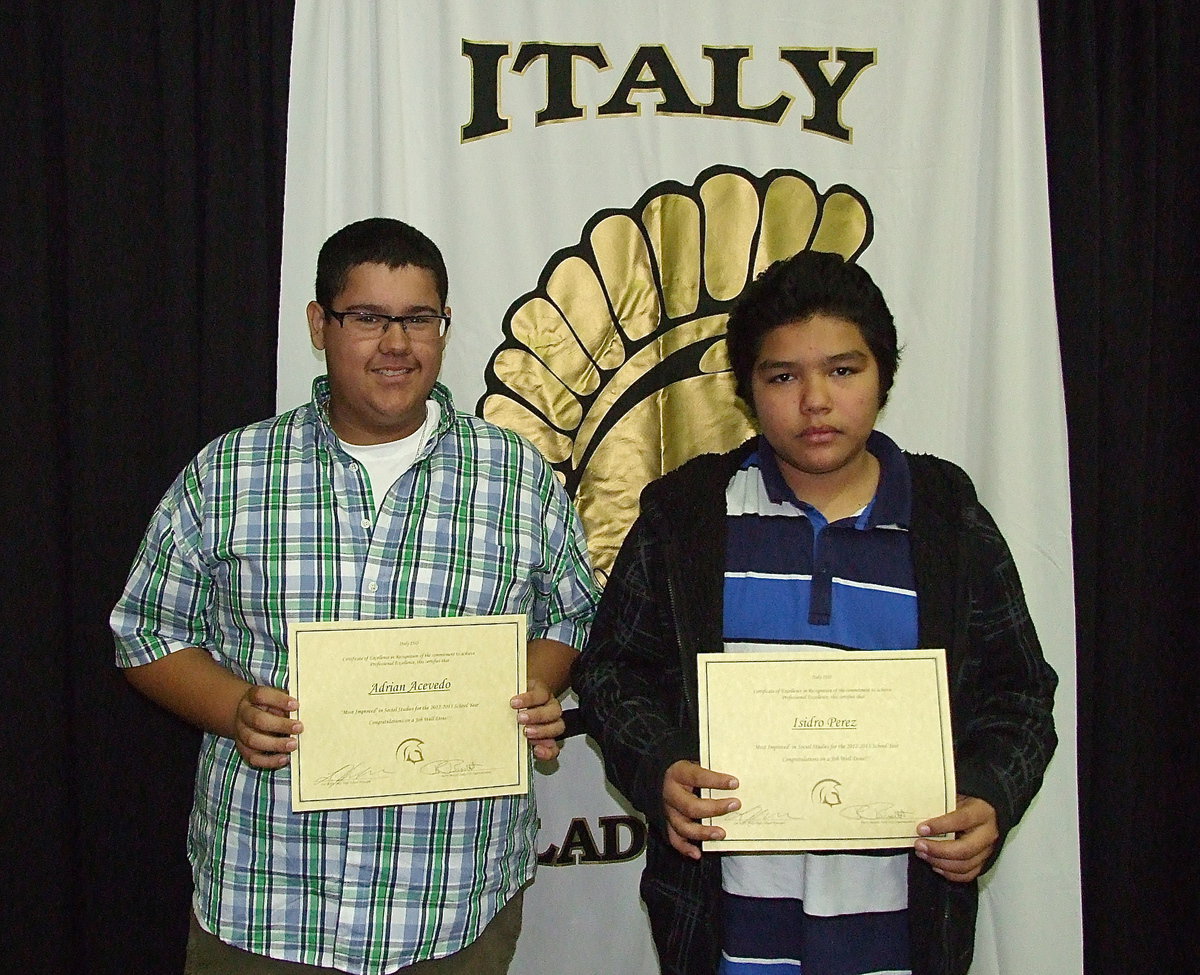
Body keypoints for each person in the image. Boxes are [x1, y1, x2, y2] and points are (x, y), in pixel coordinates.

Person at [111, 217, 598, 975]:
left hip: (453, 898)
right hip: (266, 898)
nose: (396, 344)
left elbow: (571, 611)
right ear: (319, 324)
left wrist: (532, 685)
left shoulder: (515, 474)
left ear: (444, 326)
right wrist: (234, 709)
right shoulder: (230, 472)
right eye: (368, 317)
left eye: (418, 319)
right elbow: (146, 631)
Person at [572, 250, 1058, 975]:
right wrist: (657, 764)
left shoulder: (946, 520)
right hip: (727, 931)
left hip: (900, 932)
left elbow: (1018, 693)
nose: (815, 401)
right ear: (746, 389)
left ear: (883, 377)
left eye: (842, 370)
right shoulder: (687, 516)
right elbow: (613, 670)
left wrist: (991, 793)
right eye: (782, 376)